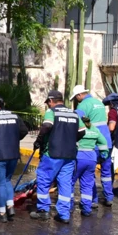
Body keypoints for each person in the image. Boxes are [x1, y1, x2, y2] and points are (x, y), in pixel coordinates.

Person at [30, 90, 82, 224]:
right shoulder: (74, 113)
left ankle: (43, 210)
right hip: (70, 155)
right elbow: (82, 131)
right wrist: (70, 140)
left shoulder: (51, 112)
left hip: (52, 153)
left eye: (48, 102)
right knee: (65, 183)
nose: (48, 105)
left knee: (43, 180)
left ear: (51, 101)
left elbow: (47, 126)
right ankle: (64, 215)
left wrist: (39, 141)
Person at [72, 85, 114, 208]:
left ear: (79, 95)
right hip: (106, 141)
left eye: (76, 97)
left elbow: (76, 120)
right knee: (106, 172)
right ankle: (109, 198)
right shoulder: (98, 103)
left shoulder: (83, 105)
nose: (76, 100)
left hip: (93, 142)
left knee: (89, 173)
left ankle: (93, 200)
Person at [73, 110, 110, 217]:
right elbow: (103, 143)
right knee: (87, 185)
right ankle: (86, 208)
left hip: (78, 158)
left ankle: (69, 206)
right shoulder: (94, 129)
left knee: (70, 182)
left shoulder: (76, 128)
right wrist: (104, 154)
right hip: (91, 159)